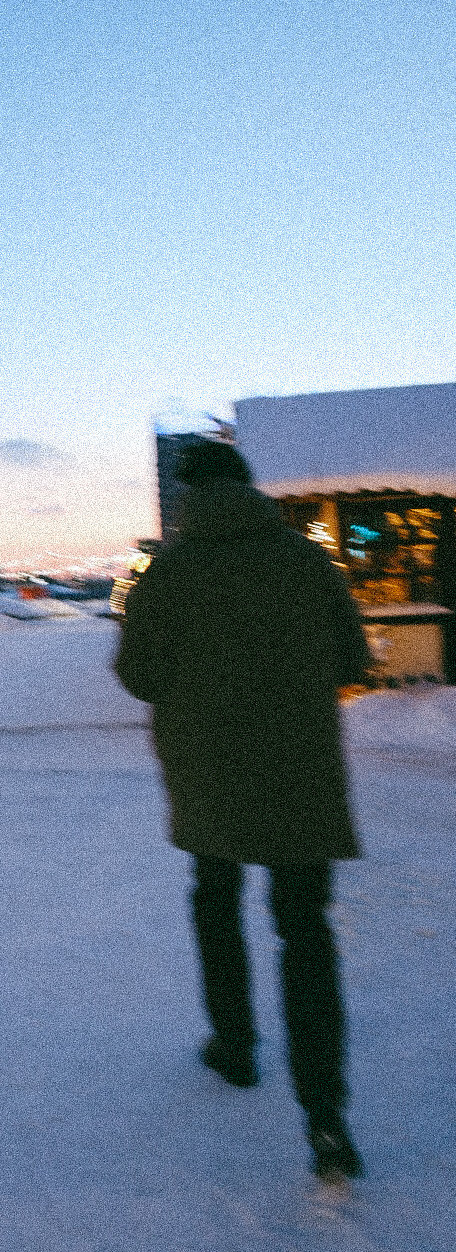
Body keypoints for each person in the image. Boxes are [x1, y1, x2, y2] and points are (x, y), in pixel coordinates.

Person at [114, 439, 371, 1183]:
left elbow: (136, 674)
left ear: (189, 494)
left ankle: (234, 1045)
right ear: (249, 485)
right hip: (299, 775)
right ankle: (325, 1117)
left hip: (209, 776)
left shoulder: (169, 572)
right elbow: (354, 659)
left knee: (217, 899)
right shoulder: (304, 559)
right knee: (306, 932)